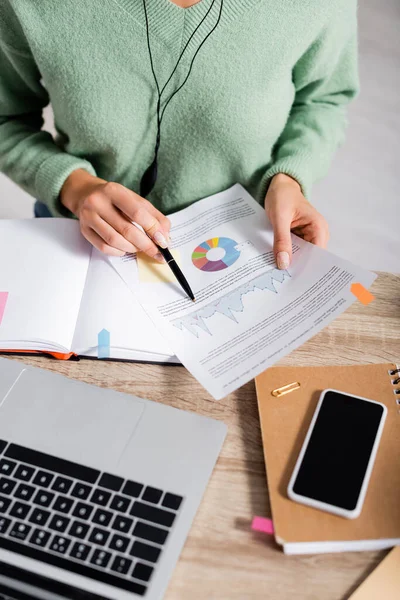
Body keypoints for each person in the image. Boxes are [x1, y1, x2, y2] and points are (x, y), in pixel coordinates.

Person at [0, 0, 358, 269]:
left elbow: (324, 99)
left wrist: (291, 177)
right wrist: (74, 188)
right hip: (79, 240)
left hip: (242, 247)